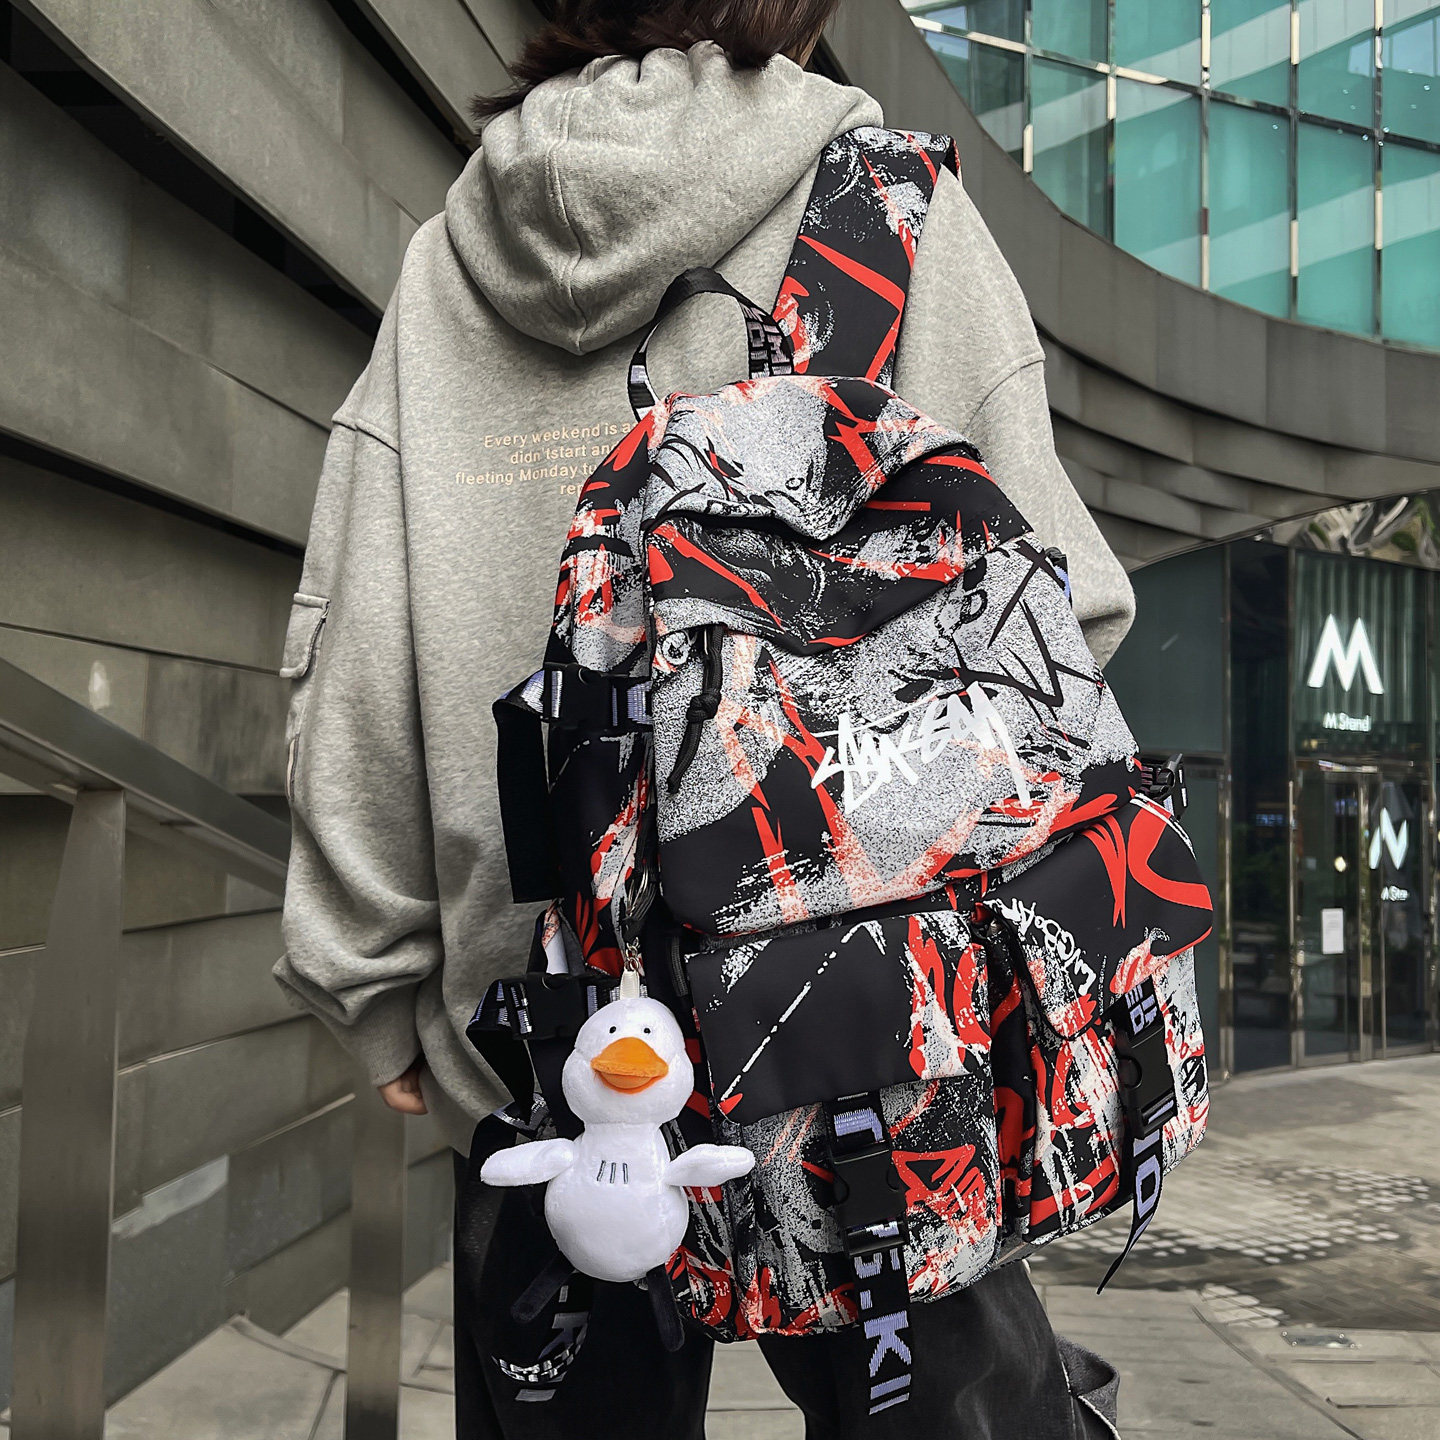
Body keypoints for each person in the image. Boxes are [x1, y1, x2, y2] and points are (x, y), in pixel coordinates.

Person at [276, 2, 1134, 1435]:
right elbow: (1063, 623)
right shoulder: (891, 213)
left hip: (553, 1047)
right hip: (871, 1027)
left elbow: (353, 650)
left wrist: (371, 977)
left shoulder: (447, 267)